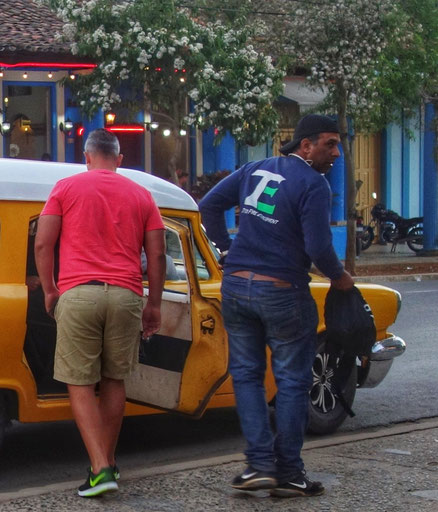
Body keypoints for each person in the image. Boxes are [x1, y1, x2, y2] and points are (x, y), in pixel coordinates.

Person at [198, 114, 355, 498]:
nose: (336, 153)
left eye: (337, 145)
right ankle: (288, 472)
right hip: (283, 290)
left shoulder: (255, 169)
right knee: (291, 382)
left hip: (236, 287)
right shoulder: (314, 184)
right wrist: (339, 276)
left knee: (248, 376)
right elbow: (319, 247)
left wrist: (226, 249)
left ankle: (258, 465)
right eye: (328, 144)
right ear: (305, 145)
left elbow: (208, 204)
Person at [35, 128, 166, 497]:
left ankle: (101, 467)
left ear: (87, 157)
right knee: (114, 380)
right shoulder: (142, 194)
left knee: (79, 383)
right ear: (119, 160)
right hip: (125, 295)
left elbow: (44, 242)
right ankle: (105, 463)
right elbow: (156, 254)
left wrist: (49, 290)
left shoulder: (65, 188)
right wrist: (153, 304)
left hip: (78, 294)